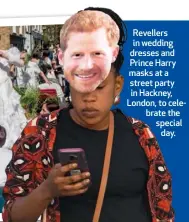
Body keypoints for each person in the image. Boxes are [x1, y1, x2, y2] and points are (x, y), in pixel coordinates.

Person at [2, 8, 174, 222]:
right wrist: (47, 190)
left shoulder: (141, 134)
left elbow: (162, 207)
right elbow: (12, 215)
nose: (89, 97)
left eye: (100, 86)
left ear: (117, 86)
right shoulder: (41, 132)